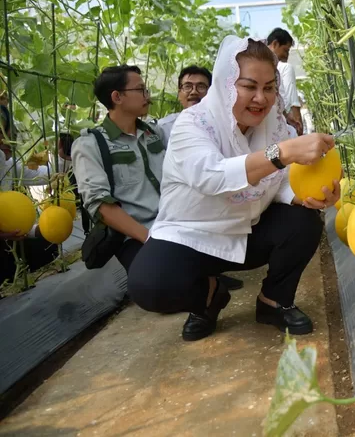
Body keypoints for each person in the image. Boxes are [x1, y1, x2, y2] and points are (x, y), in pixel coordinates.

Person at [127, 36, 340, 342]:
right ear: (227, 84)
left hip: (247, 231)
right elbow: (211, 176)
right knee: (150, 285)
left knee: (303, 222)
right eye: (249, 86)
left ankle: (273, 300)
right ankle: (209, 295)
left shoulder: (275, 128)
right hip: (192, 237)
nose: (260, 98)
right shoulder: (194, 124)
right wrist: (280, 154)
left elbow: (281, 182)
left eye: (269, 88)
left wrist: (307, 197)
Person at [71, 65, 165, 272]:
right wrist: (150, 239)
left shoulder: (155, 132)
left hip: (174, 223)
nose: (147, 95)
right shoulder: (89, 145)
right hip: (135, 236)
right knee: (155, 282)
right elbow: (101, 205)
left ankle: (207, 289)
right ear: (117, 97)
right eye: (140, 89)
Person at [0, 104, 58, 286]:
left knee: (47, 245)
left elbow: (46, 174)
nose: (10, 138)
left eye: (9, 132)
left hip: (8, 238)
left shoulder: (8, 165)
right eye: (6, 133)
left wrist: (63, 156)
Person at [158, 65, 212, 144]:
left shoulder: (222, 126)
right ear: (179, 93)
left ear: (211, 92)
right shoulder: (164, 127)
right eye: (187, 86)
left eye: (201, 87)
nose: (194, 92)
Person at [267, 28, 303, 136]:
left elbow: (276, 98)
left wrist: (286, 116)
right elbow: (293, 100)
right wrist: (297, 120)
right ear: (275, 44)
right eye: (285, 50)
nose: (287, 56)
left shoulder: (272, 66)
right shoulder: (284, 67)